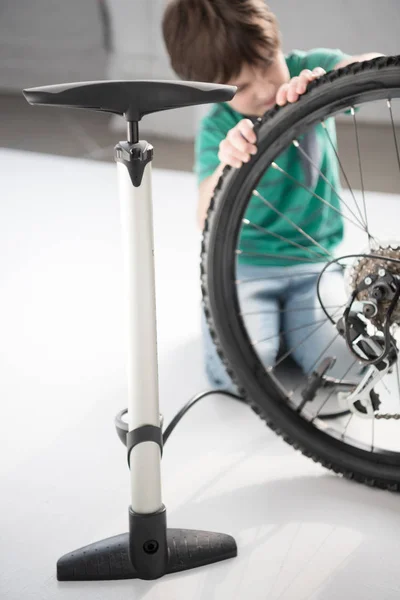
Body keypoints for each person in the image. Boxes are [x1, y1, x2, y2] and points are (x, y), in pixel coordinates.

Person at [162, 0, 383, 392]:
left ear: (277, 44)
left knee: (350, 365)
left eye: (267, 63)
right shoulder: (219, 126)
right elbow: (202, 216)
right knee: (242, 374)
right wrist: (228, 164)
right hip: (245, 269)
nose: (264, 89)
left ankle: (281, 324)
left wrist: (328, 85)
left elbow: (371, 67)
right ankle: (228, 312)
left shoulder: (306, 70)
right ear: (210, 90)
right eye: (241, 86)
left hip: (314, 262)